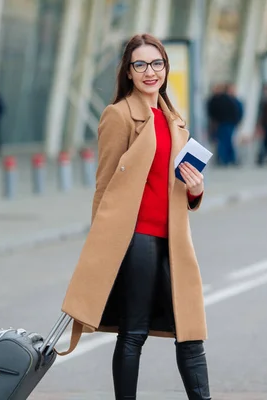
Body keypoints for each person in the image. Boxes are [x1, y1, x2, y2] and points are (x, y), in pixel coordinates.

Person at [59, 33, 212, 399]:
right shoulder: (119, 115)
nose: (150, 72)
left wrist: (196, 191)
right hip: (137, 238)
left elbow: (174, 187)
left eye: (156, 64)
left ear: (165, 69)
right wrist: (102, 247)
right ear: (128, 72)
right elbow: (105, 184)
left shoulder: (174, 120)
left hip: (175, 240)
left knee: (191, 331)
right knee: (134, 332)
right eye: (140, 64)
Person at [206, 83, 243, 166]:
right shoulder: (229, 100)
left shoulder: (222, 100)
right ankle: (228, 159)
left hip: (225, 123)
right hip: (226, 123)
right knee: (226, 141)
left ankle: (225, 159)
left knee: (224, 142)